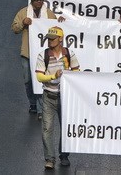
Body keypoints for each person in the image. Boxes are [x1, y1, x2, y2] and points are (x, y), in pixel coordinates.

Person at [35, 26, 80, 169]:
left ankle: (64, 155)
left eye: (53, 39)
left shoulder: (69, 54)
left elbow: (77, 72)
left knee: (65, 127)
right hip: (49, 96)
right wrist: (53, 76)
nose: (50, 41)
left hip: (65, 97)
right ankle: (49, 159)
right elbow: (39, 76)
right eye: (48, 38)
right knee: (47, 128)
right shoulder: (43, 55)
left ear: (60, 39)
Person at [12, 0, 57, 117]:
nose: (38, 2)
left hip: (43, 55)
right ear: (31, 0)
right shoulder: (24, 13)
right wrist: (23, 23)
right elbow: (14, 28)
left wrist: (60, 21)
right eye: (36, 0)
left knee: (40, 80)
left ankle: (40, 109)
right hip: (27, 53)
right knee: (28, 80)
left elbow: (56, 29)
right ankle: (32, 103)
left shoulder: (49, 14)